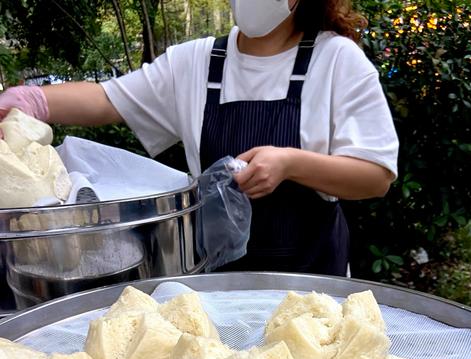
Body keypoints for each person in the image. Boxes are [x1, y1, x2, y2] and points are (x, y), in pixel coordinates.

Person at [0, 0, 398, 275]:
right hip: (219, 291)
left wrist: (291, 163)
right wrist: (33, 101)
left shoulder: (337, 60)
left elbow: (375, 176)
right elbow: (107, 100)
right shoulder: (195, 62)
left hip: (314, 292)